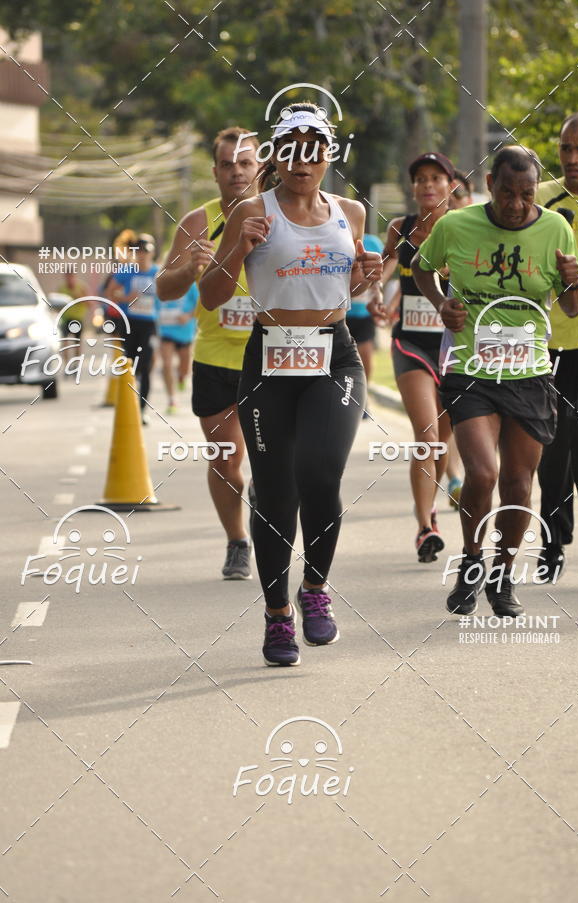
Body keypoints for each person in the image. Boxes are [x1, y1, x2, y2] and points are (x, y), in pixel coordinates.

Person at [200, 102, 383, 666]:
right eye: (293, 148)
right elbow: (210, 295)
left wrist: (365, 275)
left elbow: (348, 287)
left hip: (334, 356)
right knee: (275, 490)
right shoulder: (252, 210)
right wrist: (239, 246)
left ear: (328, 155)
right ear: (277, 155)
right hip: (270, 359)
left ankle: (315, 590)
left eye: (315, 147)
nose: (304, 160)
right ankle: (277, 614)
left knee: (321, 471)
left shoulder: (350, 212)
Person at [412, 145, 578, 617]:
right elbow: (421, 267)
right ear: (490, 185)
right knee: (483, 474)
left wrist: (572, 282)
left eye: (526, 195)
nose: (515, 204)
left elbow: (572, 307)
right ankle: (472, 560)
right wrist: (440, 304)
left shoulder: (555, 228)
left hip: (529, 373)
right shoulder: (456, 224)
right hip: (472, 369)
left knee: (517, 484)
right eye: (507, 193)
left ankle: (503, 574)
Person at [156, 127, 260, 579]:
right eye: (227, 165)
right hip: (216, 357)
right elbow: (163, 288)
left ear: (259, 167)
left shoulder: (281, 214)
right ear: (215, 171)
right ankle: (237, 541)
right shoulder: (199, 221)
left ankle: (266, 499)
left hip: (273, 356)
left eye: (245, 163)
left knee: (278, 461)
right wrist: (187, 269)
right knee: (225, 460)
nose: (236, 172)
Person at [381, 152, 455, 562]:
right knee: (427, 434)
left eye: (436, 178)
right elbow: (387, 268)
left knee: (442, 441)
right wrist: (375, 292)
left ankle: (430, 507)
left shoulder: (464, 226)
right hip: (410, 344)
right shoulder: (401, 228)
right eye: (420, 179)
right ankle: (425, 526)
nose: (427, 185)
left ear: (450, 185)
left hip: (452, 345)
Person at [536, 111, 578, 574]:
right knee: (549, 441)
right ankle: (552, 541)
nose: (572, 158)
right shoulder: (543, 199)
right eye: (566, 149)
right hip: (550, 337)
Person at [106, 233, 159, 422]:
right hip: (129, 323)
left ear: (152, 253)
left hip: (149, 324)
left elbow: (169, 294)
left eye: (146, 251)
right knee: (129, 365)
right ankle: (127, 405)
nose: (143, 255)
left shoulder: (157, 272)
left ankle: (142, 409)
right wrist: (127, 298)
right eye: (139, 251)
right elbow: (110, 292)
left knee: (145, 365)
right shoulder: (127, 270)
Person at [345, 233, 384, 404]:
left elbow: (379, 275)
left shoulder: (372, 242)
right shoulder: (335, 238)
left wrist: (378, 295)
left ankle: (362, 396)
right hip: (339, 314)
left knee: (365, 355)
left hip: (363, 313)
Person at [156, 282, 199, 414]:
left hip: (185, 331)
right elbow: (154, 304)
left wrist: (188, 316)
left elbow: (200, 305)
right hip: (166, 331)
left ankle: (181, 376)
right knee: (167, 364)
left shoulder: (190, 284)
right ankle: (172, 399)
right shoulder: (162, 281)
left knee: (185, 368)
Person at [57, 266, 90, 364]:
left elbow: (90, 303)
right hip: (65, 319)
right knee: (65, 343)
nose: (69, 279)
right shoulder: (62, 289)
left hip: (77, 319)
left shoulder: (81, 287)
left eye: (71, 276)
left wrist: (80, 298)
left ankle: (76, 364)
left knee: (77, 344)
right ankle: (67, 364)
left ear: (74, 276)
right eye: (67, 277)